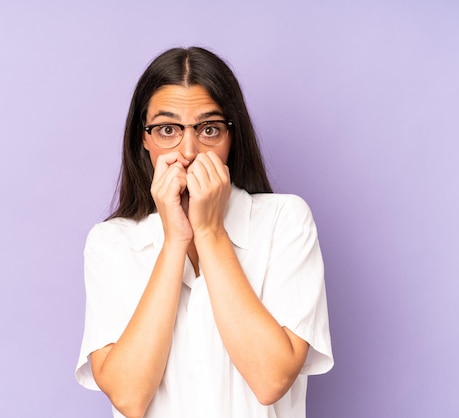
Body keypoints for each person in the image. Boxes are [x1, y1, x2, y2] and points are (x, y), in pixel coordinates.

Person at [75, 46, 333, 418]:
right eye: (167, 130)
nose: (189, 150)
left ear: (232, 137)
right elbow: (129, 397)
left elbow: (271, 379)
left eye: (209, 129)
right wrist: (175, 241)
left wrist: (210, 231)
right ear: (143, 139)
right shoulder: (110, 243)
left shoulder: (285, 221)